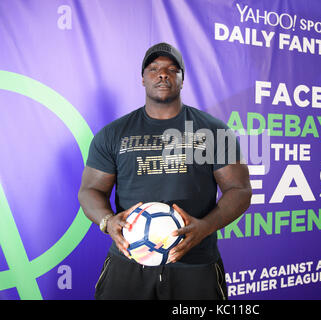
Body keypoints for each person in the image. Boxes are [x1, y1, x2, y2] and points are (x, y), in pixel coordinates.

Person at [78, 42, 252, 300]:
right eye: (154, 68)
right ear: (142, 79)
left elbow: (239, 190)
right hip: (129, 263)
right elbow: (90, 190)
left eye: (172, 69)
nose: (163, 74)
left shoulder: (214, 131)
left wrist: (204, 227)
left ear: (182, 80)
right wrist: (107, 221)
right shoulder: (114, 134)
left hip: (196, 266)